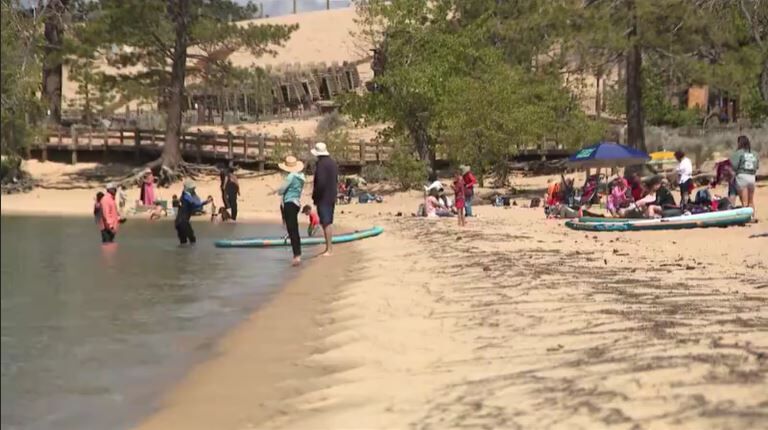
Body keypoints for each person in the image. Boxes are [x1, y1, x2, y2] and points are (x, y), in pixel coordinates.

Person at [276, 155, 306, 266]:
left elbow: (281, 190)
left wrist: (278, 190)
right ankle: (297, 253)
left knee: (292, 230)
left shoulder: (290, 177)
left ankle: (297, 256)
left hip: (289, 203)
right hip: (296, 203)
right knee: (294, 229)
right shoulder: (301, 177)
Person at [311, 142, 338, 257]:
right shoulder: (332, 163)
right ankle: (329, 247)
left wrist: (315, 195)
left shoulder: (321, 164)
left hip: (323, 197)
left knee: (326, 223)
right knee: (328, 222)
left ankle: (329, 249)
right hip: (331, 195)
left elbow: (320, 183)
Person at [174, 180, 213, 246]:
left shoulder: (184, 194)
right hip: (183, 222)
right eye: (193, 188)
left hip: (178, 222)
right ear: (189, 188)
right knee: (192, 240)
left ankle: (181, 255)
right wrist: (206, 202)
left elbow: (194, 201)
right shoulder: (186, 197)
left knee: (183, 242)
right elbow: (195, 204)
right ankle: (189, 254)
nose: (194, 189)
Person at [731, 135, 759, 219]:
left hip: (742, 176)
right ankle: (752, 217)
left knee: (744, 201)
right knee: (751, 200)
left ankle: (745, 218)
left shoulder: (739, 153)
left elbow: (734, 166)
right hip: (752, 177)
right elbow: (757, 166)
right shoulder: (755, 153)